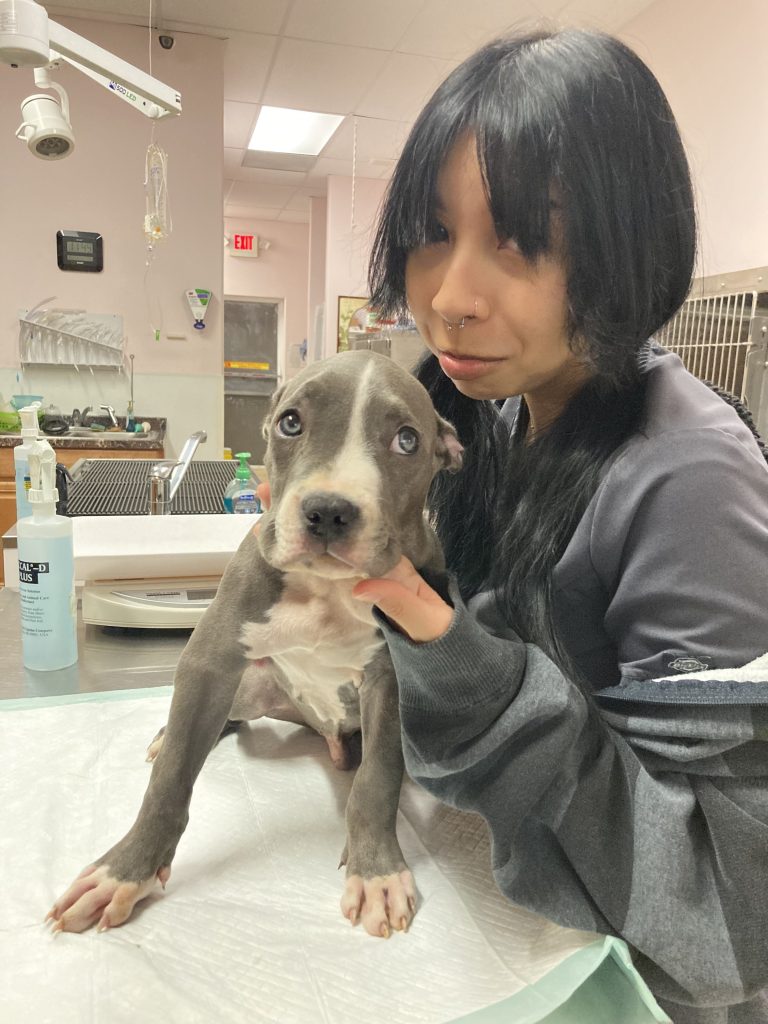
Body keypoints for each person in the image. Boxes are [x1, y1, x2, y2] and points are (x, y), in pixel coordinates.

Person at [349, 28, 768, 1024]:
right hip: (505, 928)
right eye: (431, 232)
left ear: (629, 245)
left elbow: (732, 917)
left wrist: (467, 681)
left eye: (520, 241)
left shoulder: (688, 477)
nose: (449, 298)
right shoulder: (492, 413)